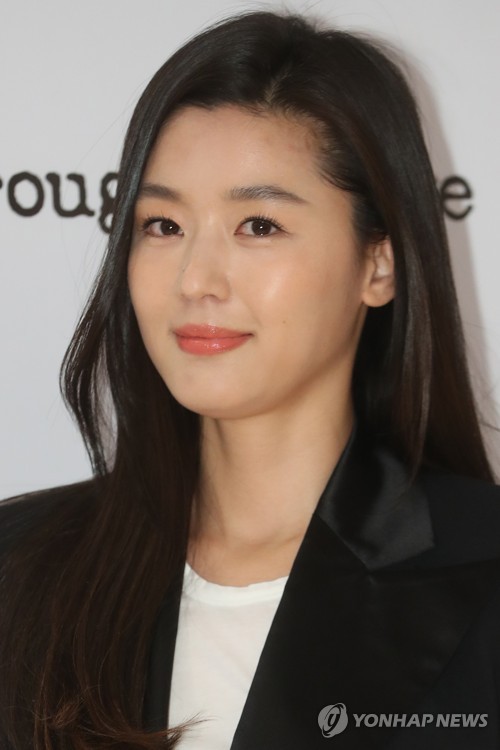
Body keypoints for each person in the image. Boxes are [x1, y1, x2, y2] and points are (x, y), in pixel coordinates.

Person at [1, 9, 500, 750]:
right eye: (163, 226)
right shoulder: (18, 568)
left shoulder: (483, 567)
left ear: (379, 263)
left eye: (258, 226)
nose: (195, 279)